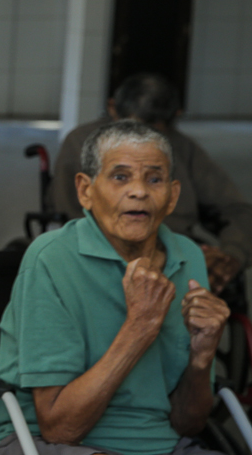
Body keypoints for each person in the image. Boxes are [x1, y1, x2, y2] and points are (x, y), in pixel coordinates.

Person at [0, 120, 252, 455]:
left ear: (172, 196)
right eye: (120, 176)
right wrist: (140, 328)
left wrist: (202, 356)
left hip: (164, 452)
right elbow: (60, 426)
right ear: (85, 191)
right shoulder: (51, 258)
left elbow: (189, 423)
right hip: (49, 448)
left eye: (155, 178)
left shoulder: (188, 258)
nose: (139, 191)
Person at [53, 73, 251, 295]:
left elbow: (238, 210)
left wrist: (230, 254)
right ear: (112, 108)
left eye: (155, 131)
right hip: (106, 247)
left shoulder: (183, 148)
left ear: (174, 118)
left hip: (176, 246)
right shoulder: (81, 143)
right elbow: (72, 216)